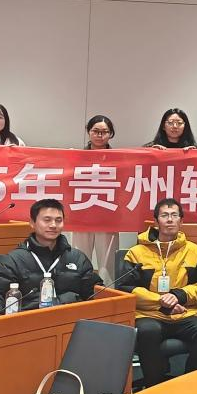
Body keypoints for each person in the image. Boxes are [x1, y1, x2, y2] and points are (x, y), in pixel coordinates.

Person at [118, 198, 197, 386]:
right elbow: (126, 288)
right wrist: (160, 301)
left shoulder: (194, 251)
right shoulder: (136, 252)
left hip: (184, 312)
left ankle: (191, 383)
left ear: (181, 221)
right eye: (164, 215)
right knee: (148, 331)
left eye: (174, 215)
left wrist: (179, 296)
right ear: (156, 222)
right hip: (149, 314)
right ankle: (155, 385)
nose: (170, 219)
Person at [0, 199, 99, 315]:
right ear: (32, 223)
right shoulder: (13, 260)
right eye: (47, 220)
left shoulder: (77, 258)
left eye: (58, 220)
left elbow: (95, 292)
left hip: (70, 320)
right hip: (28, 322)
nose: (53, 225)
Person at [70, 115, 119, 283]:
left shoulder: (120, 158)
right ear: (88, 132)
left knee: (108, 263)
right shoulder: (76, 156)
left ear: (111, 134)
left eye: (104, 132)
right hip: (82, 213)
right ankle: (78, 291)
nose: (100, 135)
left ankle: (108, 293)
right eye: (96, 131)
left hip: (108, 213)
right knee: (79, 258)